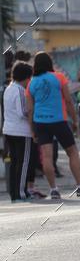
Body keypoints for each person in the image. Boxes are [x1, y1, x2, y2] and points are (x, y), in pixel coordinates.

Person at [25, 51, 80, 199]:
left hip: (40, 122)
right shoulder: (59, 77)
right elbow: (69, 101)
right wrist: (75, 120)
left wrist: (32, 129)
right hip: (59, 121)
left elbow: (30, 109)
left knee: (47, 157)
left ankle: (54, 190)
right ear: (49, 63)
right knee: (72, 152)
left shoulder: (32, 83)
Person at [2, 61, 45, 201]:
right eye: (30, 78)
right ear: (26, 77)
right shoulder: (20, 90)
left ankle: (15, 193)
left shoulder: (8, 88)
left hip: (8, 130)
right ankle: (21, 193)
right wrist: (33, 113)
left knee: (14, 163)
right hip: (21, 132)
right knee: (23, 163)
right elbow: (22, 112)